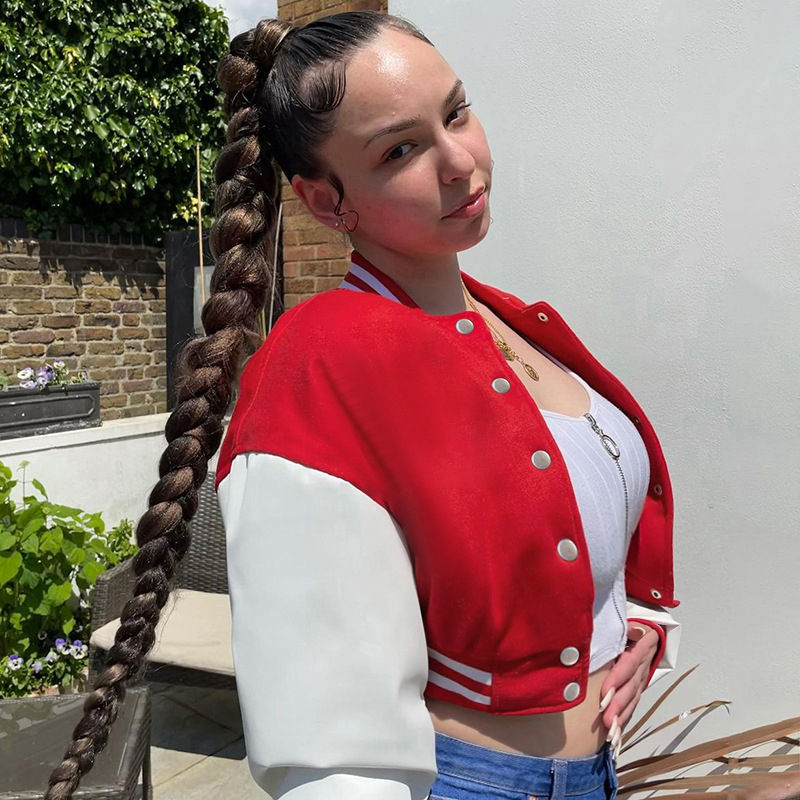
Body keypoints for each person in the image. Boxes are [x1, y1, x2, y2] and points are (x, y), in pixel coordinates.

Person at [45, 10, 680, 800]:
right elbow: (332, 753)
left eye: (456, 112)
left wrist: (635, 620)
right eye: (399, 150)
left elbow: (584, 517)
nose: (460, 160)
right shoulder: (319, 369)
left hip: (594, 771)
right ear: (325, 201)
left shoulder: (515, 321)